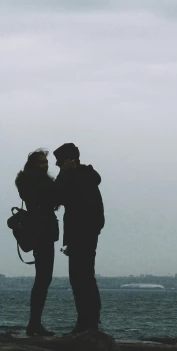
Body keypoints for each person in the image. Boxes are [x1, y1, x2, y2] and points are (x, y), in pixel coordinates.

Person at [53, 143, 105, 334]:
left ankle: (87, 321)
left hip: (81, 232)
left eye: (59, 162)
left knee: (80, 277)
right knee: (84, 277)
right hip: (85, 231)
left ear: (68, 160)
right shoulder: (87, 176)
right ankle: (89, 320)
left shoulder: (77, 177)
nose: (57, 165)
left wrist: (64, 174)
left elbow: (57, 196)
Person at [15, 149, 59, 337]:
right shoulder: (31, 182)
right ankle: (34, 324)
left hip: (44, 231)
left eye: (46, 162)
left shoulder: (35, 182)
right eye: (41, 162)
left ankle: (35, 323)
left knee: (43, 278)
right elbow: (46, 200)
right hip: (42, 232)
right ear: (33, 164)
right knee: (43, 278)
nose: (45, 165)